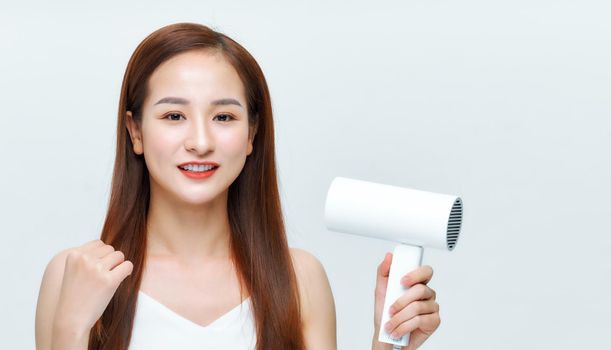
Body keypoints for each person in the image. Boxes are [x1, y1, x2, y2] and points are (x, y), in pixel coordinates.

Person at [34, 22, 441, 350]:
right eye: (174, 116)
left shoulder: (299, 278)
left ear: (251, 135)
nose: (200, 141)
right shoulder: (75, 275)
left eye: (224, 117)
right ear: (135, 131)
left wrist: (390, 343)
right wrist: (70, 330)